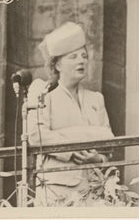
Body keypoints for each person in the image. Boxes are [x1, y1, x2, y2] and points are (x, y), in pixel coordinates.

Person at [27, 22, 115, 206]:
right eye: (73, 57)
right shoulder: (45, 96)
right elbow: (36, 137)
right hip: (58, 190)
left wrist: (97, 158)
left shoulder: (96, 99)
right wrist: (77, 147)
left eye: (84, 56)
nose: (81, 61)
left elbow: (108, 141)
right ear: (57, 64)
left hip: (94, 190)